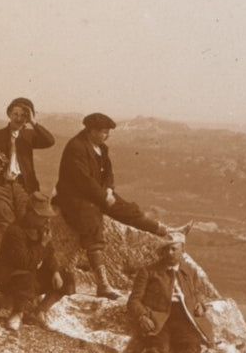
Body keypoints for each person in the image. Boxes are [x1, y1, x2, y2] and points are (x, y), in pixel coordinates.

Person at [54, 112, 181, 299]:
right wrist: (103, 197)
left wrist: (109, 191)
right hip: (75, 197)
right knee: (92, 224)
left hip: (99, 194)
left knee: (126, 208)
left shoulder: (101, 148)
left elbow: (108, 174)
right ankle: (102, 284)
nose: (107, 135)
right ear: (91, 131)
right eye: (104, 132)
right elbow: (83, 181)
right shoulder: (76, 147)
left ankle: (162, 230)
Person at [124, 232, 215, 353]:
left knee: (192, 348)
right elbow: (133, 301)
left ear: (183, 250)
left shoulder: (190, 271)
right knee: (156, 348)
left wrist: (200, 304)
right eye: (166, 250)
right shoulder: (148, 271)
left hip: (184, 316)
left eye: (174, 249)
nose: (169, 253)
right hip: (158, 317)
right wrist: (142, 316)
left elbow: (196, 292)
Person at [0, 193, 73, 332]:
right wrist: (42, 245)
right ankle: (17, 313)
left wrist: (56, 271)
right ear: (31, 214)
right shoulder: (15, 231)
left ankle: (40, 311)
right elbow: (24, 262)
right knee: (26, 277)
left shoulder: (41, 230)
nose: (47, 221)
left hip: (28, 276)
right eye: (43, 217)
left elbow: (50, 253)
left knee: (67, 278)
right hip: (9, 278)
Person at [0, 97, 55, 225]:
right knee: (5, 219)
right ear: (9, 114)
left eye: (23, 115)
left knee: (26, 218)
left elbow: (50, 141)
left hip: (23, 186)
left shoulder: (29, 135)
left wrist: (33, 122)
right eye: (15, 114)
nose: (18, 118)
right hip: (0, 186)